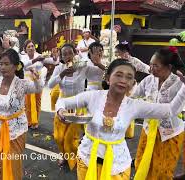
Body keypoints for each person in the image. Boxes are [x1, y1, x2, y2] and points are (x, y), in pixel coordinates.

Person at [56, 59, 185, 180]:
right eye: (118, 75)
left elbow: (170, 110)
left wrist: (184, 88)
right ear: (107, 78)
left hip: (117, 166)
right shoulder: (92, 97)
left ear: (133, 83)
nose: (123, 80)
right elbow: (62, 102)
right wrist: (60, 111)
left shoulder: (134, 105)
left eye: (129, 77)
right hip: (86, 159)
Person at [0, 48, 43, 180]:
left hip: (16, 131)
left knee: (12, 165)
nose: (3, 67)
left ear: (16, 66)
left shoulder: (21, 85)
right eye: (1, 64)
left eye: (7, 64)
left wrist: (36, 77)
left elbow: (38, 88)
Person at [48, 43, 104, 170]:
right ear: (61, 56)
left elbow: (101, 74)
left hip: (78, 106)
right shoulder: (59, 68)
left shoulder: (83, 67)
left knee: (70, 138)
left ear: (75, 54)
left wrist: (97, 62)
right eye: (65, 54)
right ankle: (63, 154)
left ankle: (70, 157)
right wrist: (62, 74)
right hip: (62, 105)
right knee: (58, 136)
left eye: (70, 53)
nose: (68, 56)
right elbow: (50, 85)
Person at [132, 47, 185, 179]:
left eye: (155, 65)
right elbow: (133, 97)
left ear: (169, 67)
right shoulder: (148, 80)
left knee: (163, 170)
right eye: (150, 64)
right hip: (148, 129)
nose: (151, 68)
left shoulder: (179, 83)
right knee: (141, 163)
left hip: (170, 133)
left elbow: (176, 108)